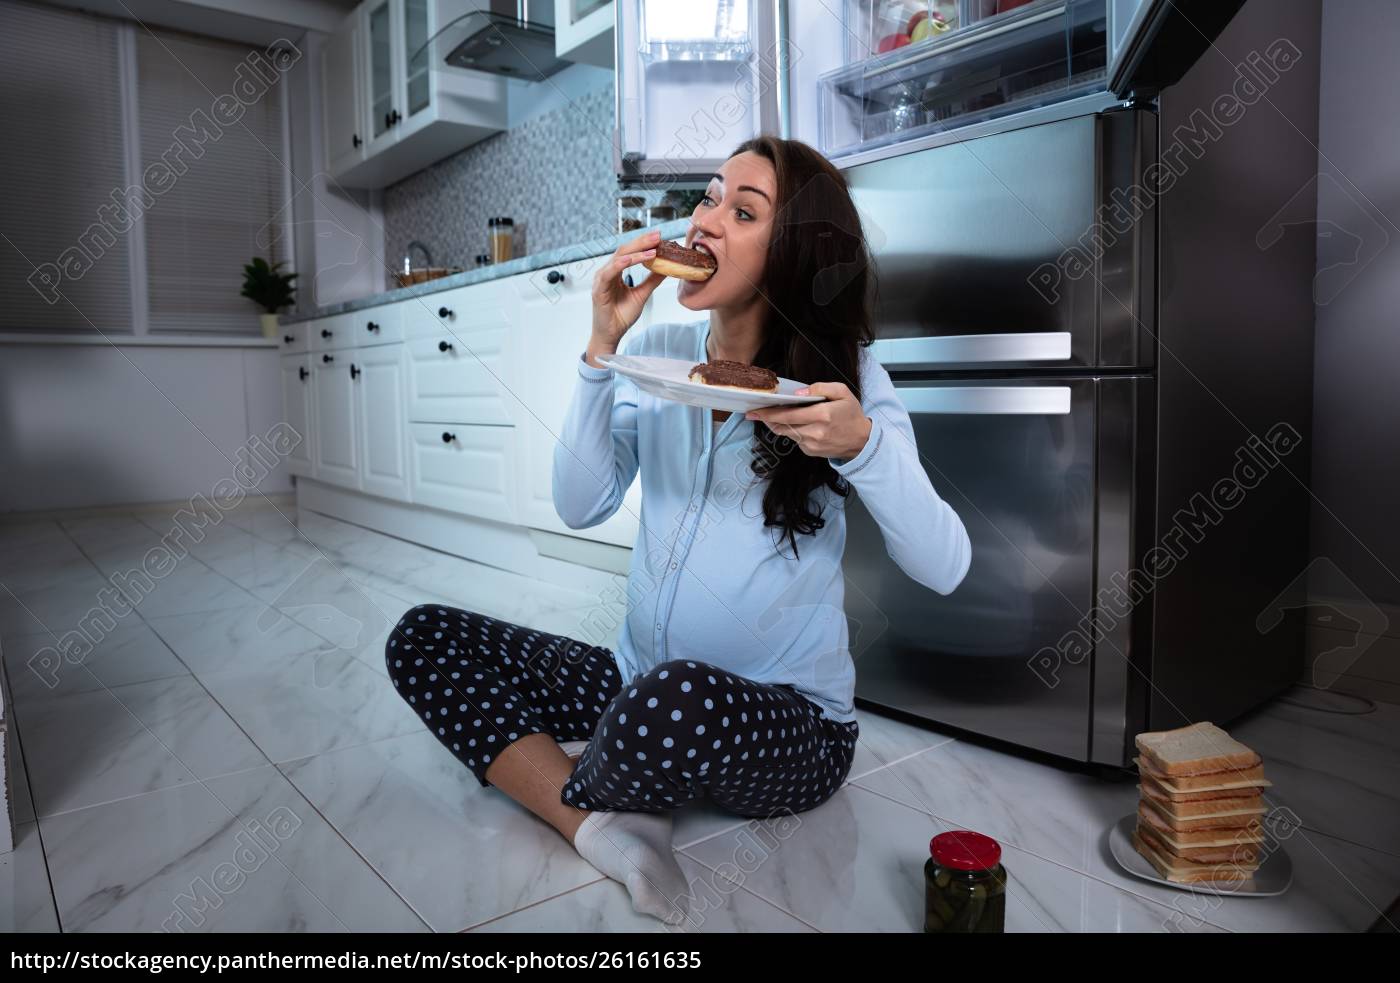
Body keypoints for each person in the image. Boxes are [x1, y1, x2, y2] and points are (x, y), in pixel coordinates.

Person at [385, 136, 971, 926]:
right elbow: (580, 504)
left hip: (791, 723)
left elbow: (945, 566)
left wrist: (863, 447)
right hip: (638, 677)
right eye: (707, 196)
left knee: (677, 695)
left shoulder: (847, 384)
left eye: (742, 210)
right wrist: (601, 350)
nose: (705, 222)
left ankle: (586, 769)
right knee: (423, 636)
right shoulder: (657, 356)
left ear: (792, 250)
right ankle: (598, 823)